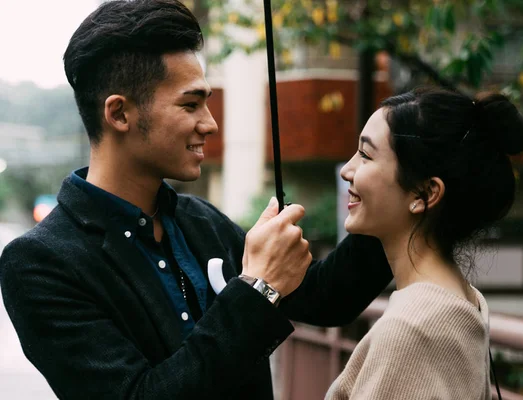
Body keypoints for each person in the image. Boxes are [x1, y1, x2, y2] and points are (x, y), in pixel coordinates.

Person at [0, 1, 392, 398]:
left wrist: (393, 194)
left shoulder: (199, 219)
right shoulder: (39, 263)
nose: (210, 122)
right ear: (119, 114)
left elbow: (324, 300)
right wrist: (258, 289)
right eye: (190, 104)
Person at [326, 87, 523, 399]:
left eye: (366, 155)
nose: (347, 170)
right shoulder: (465, 300)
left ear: (424, 194)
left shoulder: (410, 329)